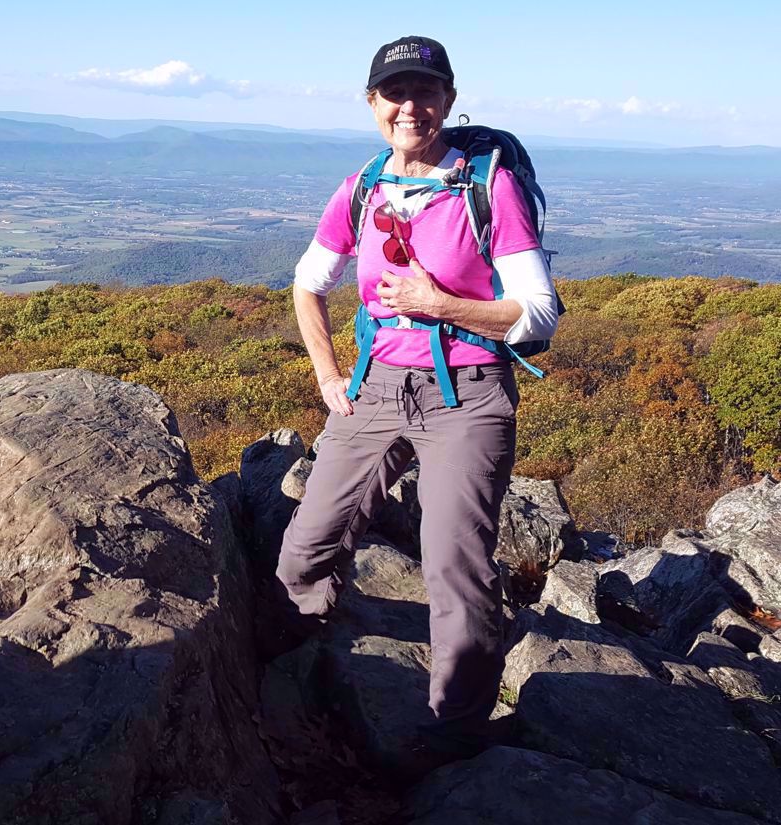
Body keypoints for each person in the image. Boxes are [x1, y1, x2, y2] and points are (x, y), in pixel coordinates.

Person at [276, 35, 560, 752]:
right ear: (373, 104)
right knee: (305, 546)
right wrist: (328, 375)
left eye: (426, 93)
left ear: (449, 102)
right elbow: (308, 284)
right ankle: (295, 661)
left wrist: (441, 303)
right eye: (395, 93)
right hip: (376, 387)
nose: (411, 106)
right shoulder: (363, 187)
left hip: (466, 390)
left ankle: (455, 733)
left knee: (453, 565)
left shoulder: (484, 184)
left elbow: (538, 311)